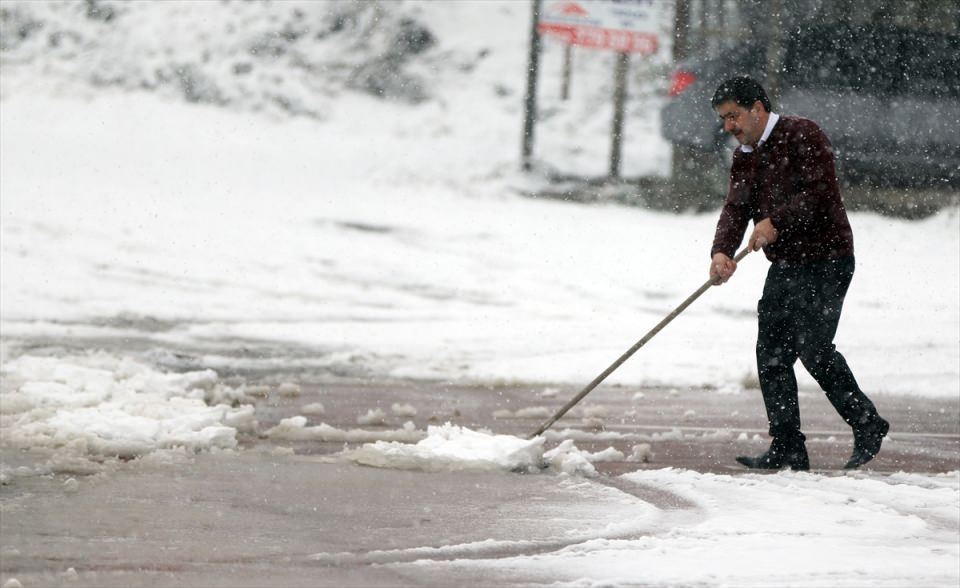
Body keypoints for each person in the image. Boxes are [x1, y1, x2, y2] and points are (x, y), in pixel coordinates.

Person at [707, 76, 888, 470]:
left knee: (814, 348)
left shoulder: (803, 134)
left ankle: (867, 422)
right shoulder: (745, 155)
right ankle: (787, 445)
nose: (729, 126)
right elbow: (736, 208)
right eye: (723, 119)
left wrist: (776, 222)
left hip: (827, 259)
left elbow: (819, 194)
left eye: (733, 116)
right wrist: (721, 251)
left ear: (757, 108)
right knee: (771, 353)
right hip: (787, 264)